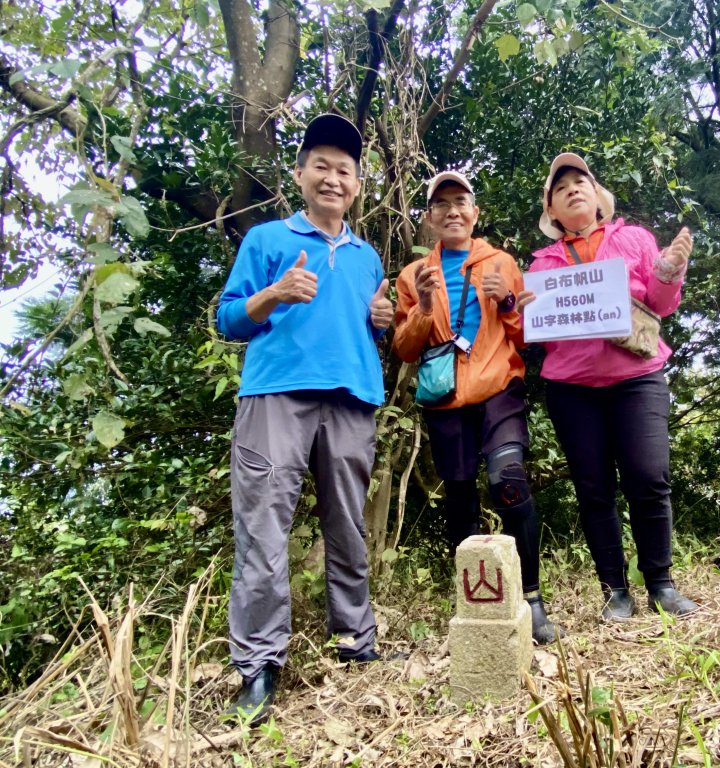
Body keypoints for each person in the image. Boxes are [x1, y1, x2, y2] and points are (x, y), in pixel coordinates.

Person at [216, 114, 395, 723]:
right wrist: (273, 293)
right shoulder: (267, 240)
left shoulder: (369, 256)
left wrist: (381, 319)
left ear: (357, 185)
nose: (332, 177)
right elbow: (229, 319)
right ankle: (259, 664)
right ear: (300, 174)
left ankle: (355, 638)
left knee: (348, 522)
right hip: (276, 395)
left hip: (352, 396)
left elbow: (369, 318)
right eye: (321, 164)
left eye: (344, 169)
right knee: (264, 523)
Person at [518, 152, 698, 622]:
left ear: (599, 197)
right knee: (593, 489)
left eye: (581, 181)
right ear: (552, 213)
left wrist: (669, 271)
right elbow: (532, 332)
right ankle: (615, 591)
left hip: (637, 379)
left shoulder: (634, 239)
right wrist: (518, 309)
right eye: (561, 188)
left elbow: (661, 304)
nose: (573, 188)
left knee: (649, 477)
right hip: (571, 387)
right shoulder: (540, 263)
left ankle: (660, 584)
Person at [392, 170, 559, 645]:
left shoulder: (501, 262)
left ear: (475, 212)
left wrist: (507, 301)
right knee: (461, 502)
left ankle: (532, 599)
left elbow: (528, 335)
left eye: (460, 201)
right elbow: (404, 348)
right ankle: (477, 604)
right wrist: (423, 306)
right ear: (429, 219)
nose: (452, 210)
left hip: (498, 391)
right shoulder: (413, 276)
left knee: (508, 481)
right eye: (441, 204)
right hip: (445, 400)